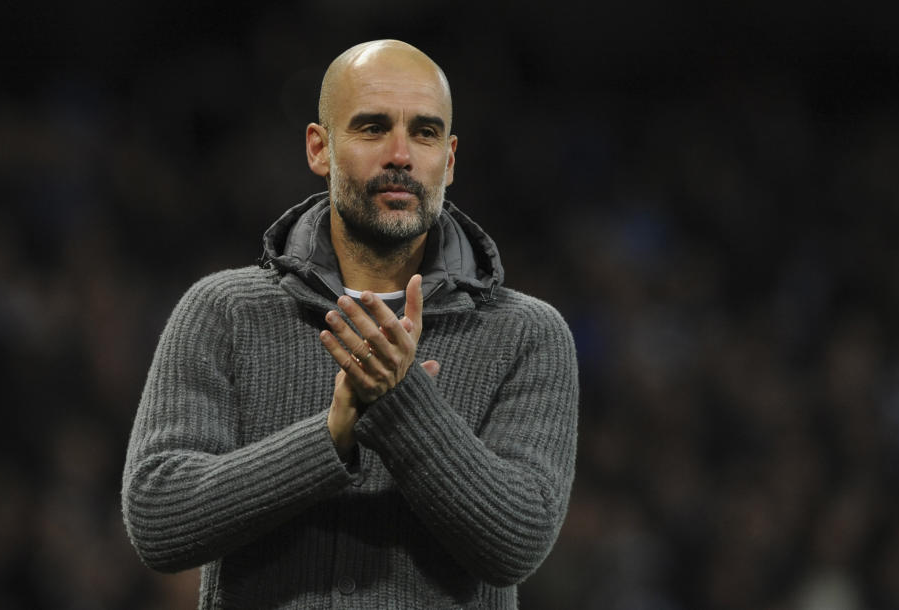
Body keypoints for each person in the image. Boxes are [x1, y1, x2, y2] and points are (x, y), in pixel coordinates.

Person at [121, 39, 578, 609]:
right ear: (320, 147)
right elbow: (159, 517)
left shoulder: (528, 333)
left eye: (426, 133)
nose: (400, 155)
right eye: (371, 127)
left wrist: (403, 403)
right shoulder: (225, 310)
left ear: (451, 159)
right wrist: (330, 435)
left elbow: (516, 541)